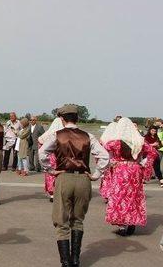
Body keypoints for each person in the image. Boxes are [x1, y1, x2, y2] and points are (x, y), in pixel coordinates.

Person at [39, 104, 109, 267]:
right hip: (83, 179)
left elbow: (43, 153)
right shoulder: (88, 136)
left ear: (62, 119)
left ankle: (65, 262)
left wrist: (50, 170)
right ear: (77, 118)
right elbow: (105, 156)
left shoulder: (58, 135)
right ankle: (75, 259)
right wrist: (96, 174)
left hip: (64, 177)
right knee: (78, 220)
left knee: (61, 221)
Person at [99, 117, 158, 236]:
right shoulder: (140, 141)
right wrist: (145, 166)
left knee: (119, 197)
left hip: (120, 171)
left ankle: (121, 225)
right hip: (135, 171)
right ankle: (132, 222)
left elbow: (102, 150)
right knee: (134, 197)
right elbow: (153, 152)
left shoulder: (115, 142)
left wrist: (110, 162)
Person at [38, 115, 65, 202]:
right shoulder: (63, 135)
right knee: (60, 175)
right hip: (60, 158)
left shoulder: (47, 134)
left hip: (50, 158)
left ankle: (52, 193)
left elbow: (40, 142)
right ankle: (60, 192)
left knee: (50, 175)